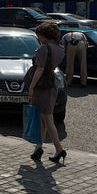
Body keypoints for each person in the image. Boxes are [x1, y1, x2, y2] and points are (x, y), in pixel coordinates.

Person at [28, 22, 67, 164]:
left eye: (39, 35)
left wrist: (31, 87)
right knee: (43, 118)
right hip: (52, 85)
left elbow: (39, 69)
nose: (38, 38)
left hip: (43, 86)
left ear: (44, 36)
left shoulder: (45, 48)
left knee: (47, 118)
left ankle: (59, 149)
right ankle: (38, 148)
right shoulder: (60, 48)